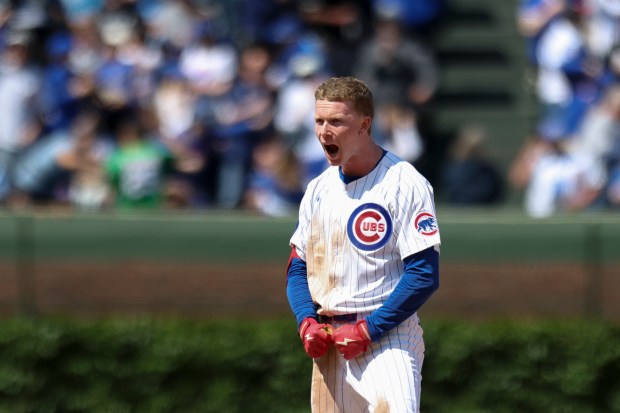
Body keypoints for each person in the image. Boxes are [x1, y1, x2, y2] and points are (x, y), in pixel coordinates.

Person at [286, 76, 440, 412]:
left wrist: (369, 330)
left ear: (364, 125)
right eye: (319, 120)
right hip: (330, 340)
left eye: (337, 121)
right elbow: (298, 267)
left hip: (387, 337)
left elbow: (424, 274)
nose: (325, 131)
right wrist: (306, 321)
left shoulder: (404, 182)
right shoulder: (318, 188)